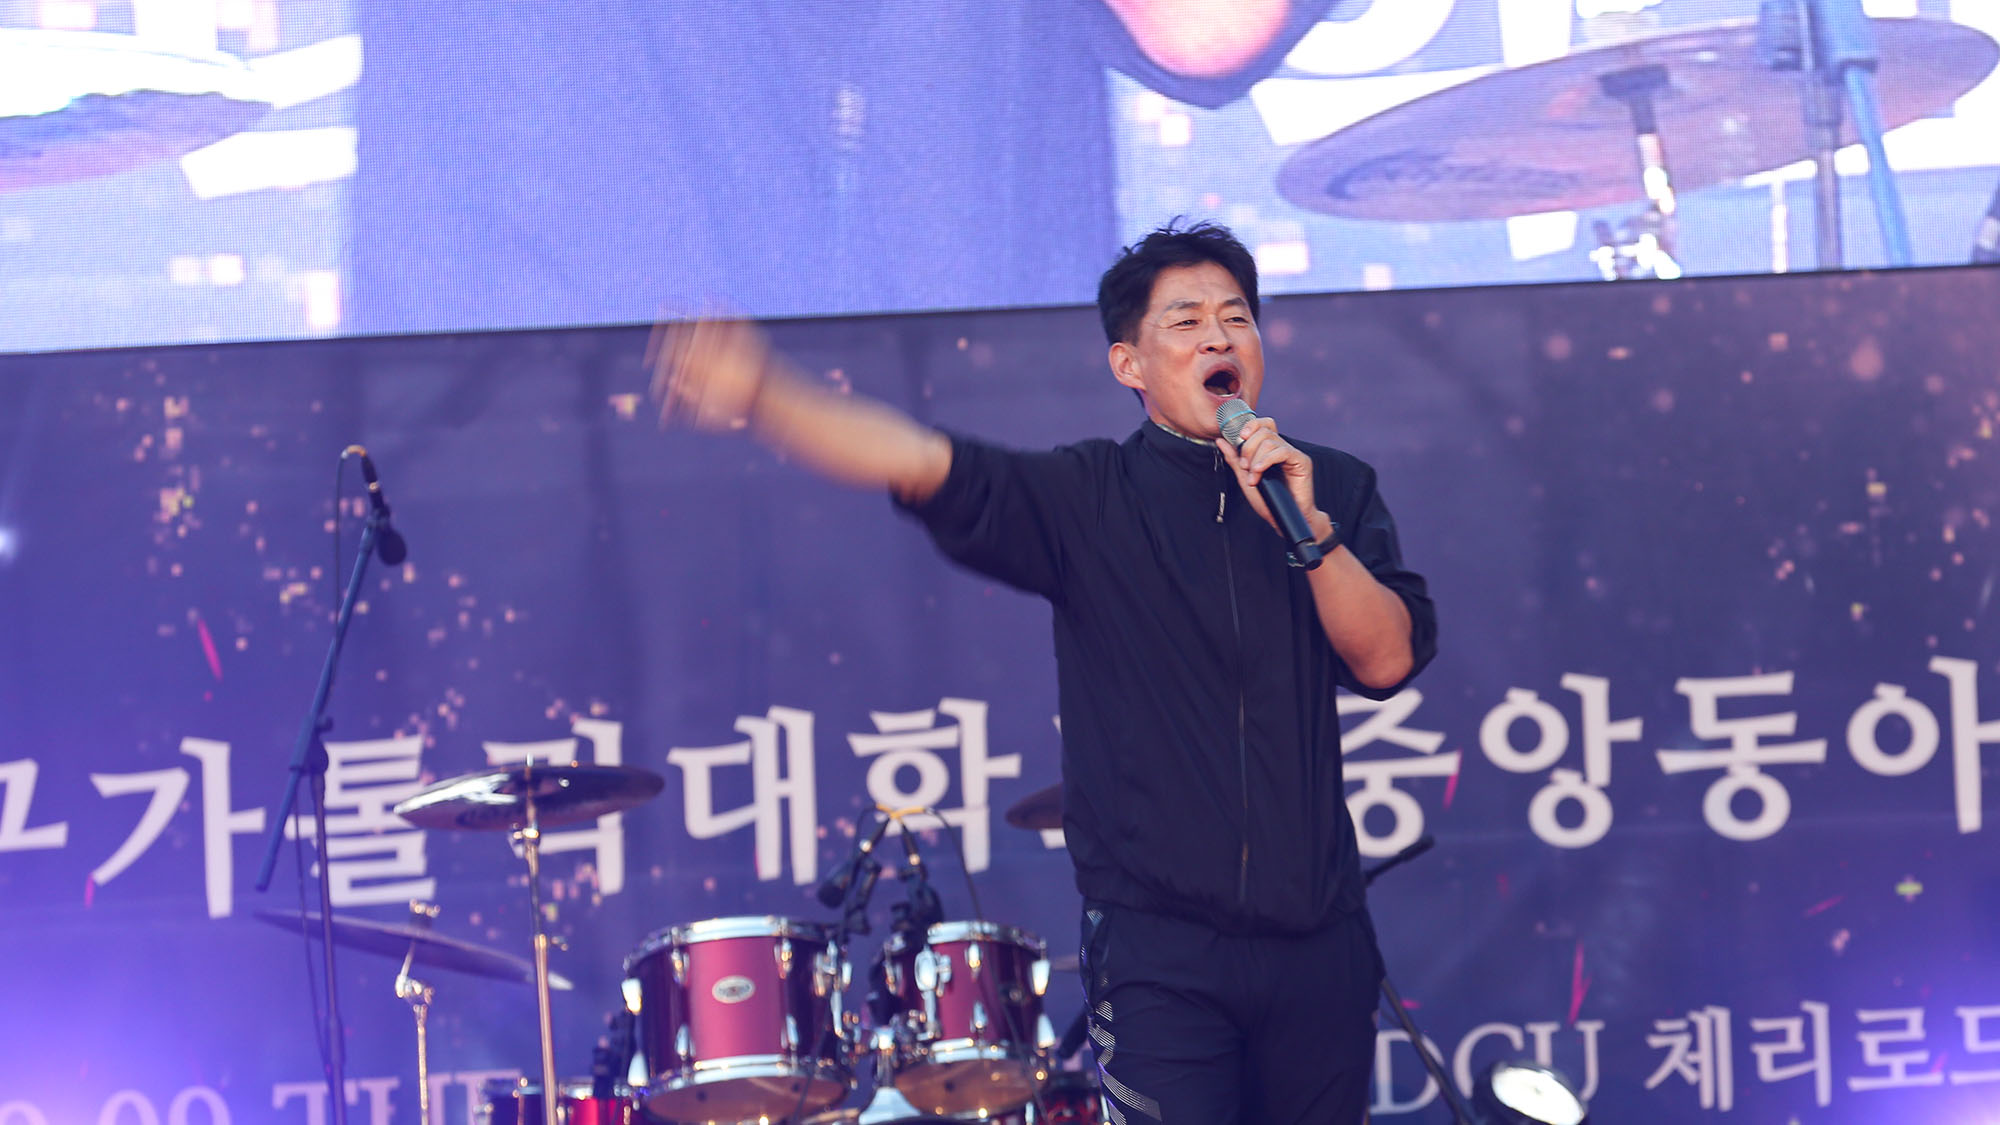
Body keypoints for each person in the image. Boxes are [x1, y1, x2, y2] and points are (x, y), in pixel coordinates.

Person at [652, 220, 1436, 1123]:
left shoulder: (1329, 484)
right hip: (1160, 955)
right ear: (1129, 364)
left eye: (1235, 318)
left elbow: (1387, 658)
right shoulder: (1088, 497)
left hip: (1321, 943)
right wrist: (765, 394)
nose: (1218, 338)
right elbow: (920, 462)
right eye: (1185, 322)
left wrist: (1309, 531)